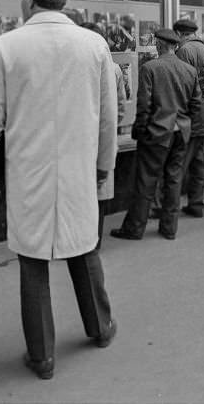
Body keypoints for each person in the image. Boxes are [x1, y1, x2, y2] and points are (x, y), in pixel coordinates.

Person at [0, 0, 118, 380]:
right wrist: (103, 167)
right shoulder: (94, 45)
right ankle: (101, 327)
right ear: (62, 0)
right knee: (84, 248)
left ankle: (42, 356)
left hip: (27, 171)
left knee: (33, 260)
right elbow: (108, 116)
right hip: (78, 167)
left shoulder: (6, 47)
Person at [112, 28, 200, 240]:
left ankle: (135, 228)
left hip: (158, 132)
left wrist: (140, 131)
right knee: (173, 180)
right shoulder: (189, 70)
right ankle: (169, 228)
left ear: (159, 45)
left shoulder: (150, 68)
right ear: (175, 46)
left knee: (146, 181)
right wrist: (186, 122)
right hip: (180, 132)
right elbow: (196, 104)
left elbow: (144, 105)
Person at [78, 22, 126, 249]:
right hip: (104, 135)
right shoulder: (114, 68)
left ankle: (82, 242)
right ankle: (94, 241)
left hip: (81, 137)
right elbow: (120, 108)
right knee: (100, 190)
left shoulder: (75, 67)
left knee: (83, 191)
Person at [172, 18, 204, 218]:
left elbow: (182, 85)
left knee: (180, 161)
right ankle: (197, 204)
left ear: (180, 34)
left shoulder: (184, 51)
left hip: (192, 111)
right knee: (200, 161)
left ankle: (169, 207)